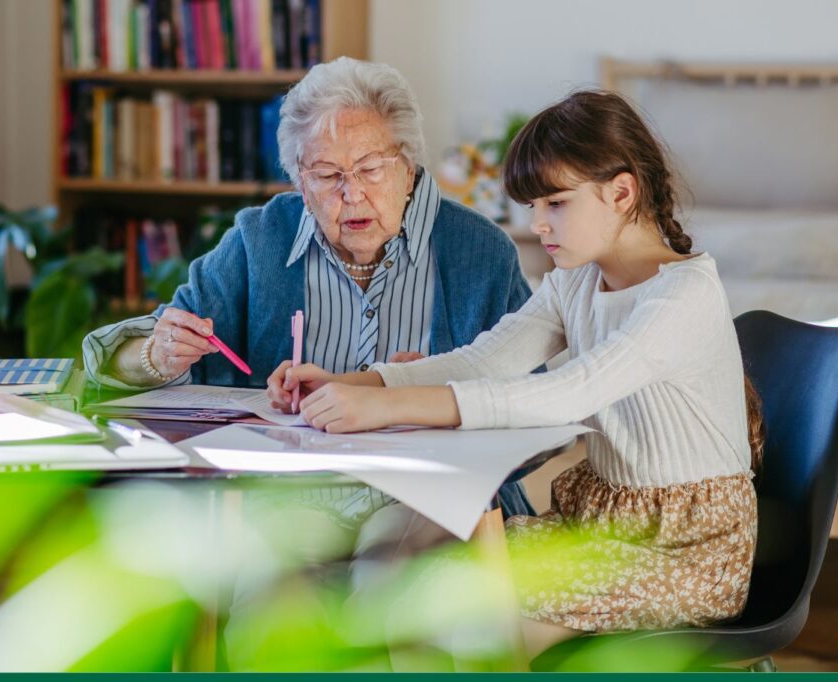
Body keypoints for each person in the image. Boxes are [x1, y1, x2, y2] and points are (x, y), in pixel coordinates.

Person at [268, 90, 764, 658]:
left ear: (621, 192)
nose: (537, 225)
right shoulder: (576, 279)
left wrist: (387, 408)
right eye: (533, 207)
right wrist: (350, 384)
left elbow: (566, 392)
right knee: (411, 575)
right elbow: (484, 359)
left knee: (447, 622)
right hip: (602, 530)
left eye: (554, 203)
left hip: (685, 554)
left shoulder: (684, 295)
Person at [83, 56, 535, 520]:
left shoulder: (481, 253)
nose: (351, 193)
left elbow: (536, 400)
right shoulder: (259, 241)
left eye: (370, 168)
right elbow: (115, 364)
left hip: (430, 497)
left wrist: (439, 392)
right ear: (299, 179)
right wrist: (157, 356)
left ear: (407, 165)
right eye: (326, 175)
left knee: (396, 577)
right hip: (286, 502)